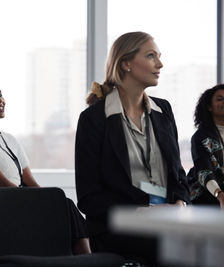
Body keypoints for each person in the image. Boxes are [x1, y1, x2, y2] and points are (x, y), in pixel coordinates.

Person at [75, 31, 189, 264]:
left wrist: (179, 204)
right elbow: (89, 198)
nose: (160, 64)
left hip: (165, 223)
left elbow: (178, 177)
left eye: (159, 56)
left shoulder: (163, 111)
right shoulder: (94, 119)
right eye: (150, 56)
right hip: (117, 229)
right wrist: (140, 213)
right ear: (125, 63)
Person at [0, 78, 91, 255]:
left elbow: (31, 183)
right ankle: (85, 256)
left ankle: (81, 257)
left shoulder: (9, 139)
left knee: (64, 206)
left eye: (0, 95)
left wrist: (50, 202)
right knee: (63, 207)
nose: (0, 100)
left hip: (13, 201)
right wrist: (38, 203)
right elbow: (1, 184)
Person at [190, 84, 224, 208]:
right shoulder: (200, 136)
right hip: (209, 196)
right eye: (220, 99)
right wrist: (219, 194)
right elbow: (204, 171)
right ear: (209, 107)